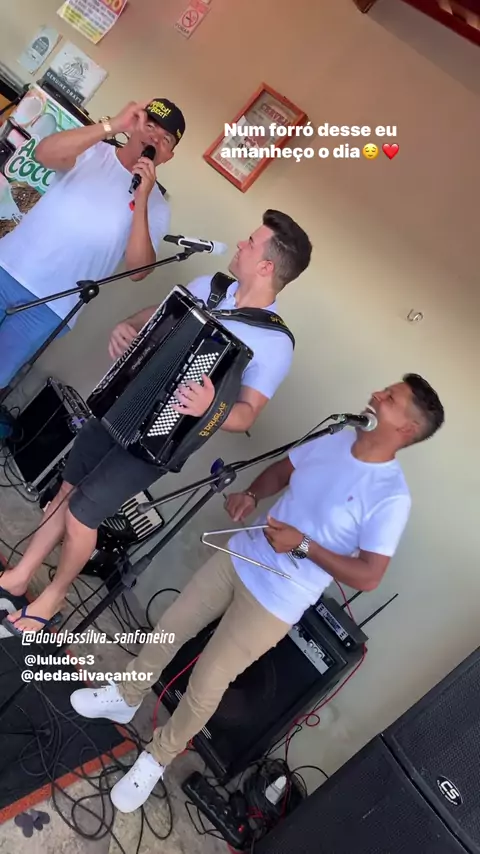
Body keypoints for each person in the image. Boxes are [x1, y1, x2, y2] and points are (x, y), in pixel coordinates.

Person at [69, 373, 444, 813]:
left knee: (207, 683)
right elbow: (283, 470)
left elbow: (369, 576)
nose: (377, 394)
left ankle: (156, 758)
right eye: (385, 389)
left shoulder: (391, 497)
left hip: (277, 600)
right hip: (240, 555)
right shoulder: (337, 437)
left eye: (391, 398)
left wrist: (304, 545)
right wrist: (250, 494)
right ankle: (125, 697)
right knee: (170, 628)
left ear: (406, 429)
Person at [0, 209, 312, 635]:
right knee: (65, 493)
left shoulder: (274, 343)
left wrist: (210, 408)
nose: (240, 244)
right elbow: (159, 314)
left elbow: (246, 415)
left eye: (250, 242)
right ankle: (20, 576)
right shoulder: (209, 287)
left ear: (266, 266)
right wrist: (128, 325)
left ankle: (54, 596)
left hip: (159, 440)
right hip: (119, 405)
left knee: (82, 515)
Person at [0, 97, 184, 389]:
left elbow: (138, 270)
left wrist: (142, 199)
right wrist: (112, 126)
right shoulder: (93, 150)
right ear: (134, 125)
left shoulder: (157, 206)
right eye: (150, 126)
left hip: (50, 307)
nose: (154, 139)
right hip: (7, 268)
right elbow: (43, 154)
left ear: (169, 156)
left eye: (165, 140)